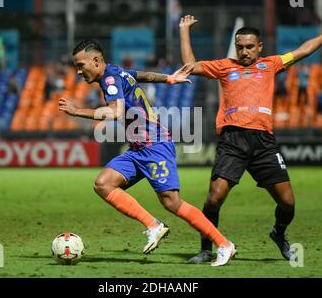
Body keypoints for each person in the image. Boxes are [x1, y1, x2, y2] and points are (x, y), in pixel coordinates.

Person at [179, 9, 322, 263]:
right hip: (232, 140)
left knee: (288, 203)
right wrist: (184, 31)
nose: (244, 52)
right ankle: (205, 248)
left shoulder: (271, 64)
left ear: (259, 47)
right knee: (214, 198)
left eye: (250, 47)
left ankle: (279, 233)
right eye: (240, 47)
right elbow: (189, 67)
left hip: (263, 142)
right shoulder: (224, 66)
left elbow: (304, 50)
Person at [58, 39, 236, 266]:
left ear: (96, 60)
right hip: (138, 149)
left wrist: (76, 111)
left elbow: (115, 112)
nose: (78, 71)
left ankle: (224, 244)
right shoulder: (117, 72)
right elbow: (143, 75)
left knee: (172, 202)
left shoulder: (110, 79)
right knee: (103, 183)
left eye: (81, 65)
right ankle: (154, 225)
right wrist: (169, 78)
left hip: (155, 145)